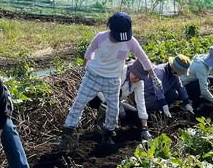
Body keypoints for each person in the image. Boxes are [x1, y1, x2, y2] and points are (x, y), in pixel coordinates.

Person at [57, 12, 158, 149]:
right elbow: (88, 53)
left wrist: (153, 76)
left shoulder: (130, 41)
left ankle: (108, 134)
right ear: (111, 29)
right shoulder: (101, 37)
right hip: (93, 76)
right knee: (78, 103)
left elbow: (143, 58)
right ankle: (67, 135)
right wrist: (84, 68)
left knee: (113, 109)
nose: (120, 39)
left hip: (112, 79)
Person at [103, 55, 195, 140]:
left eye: (140, 78)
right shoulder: (118, 75)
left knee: (137, 117)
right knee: (118, 113)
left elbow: (141, 102)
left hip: (121, 99)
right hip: (105, 98)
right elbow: (159, 93)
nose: (138, 80)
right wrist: (164, 107)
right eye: (137, 76)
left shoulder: (139, 82)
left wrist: (145, 128)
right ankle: (105, 130)